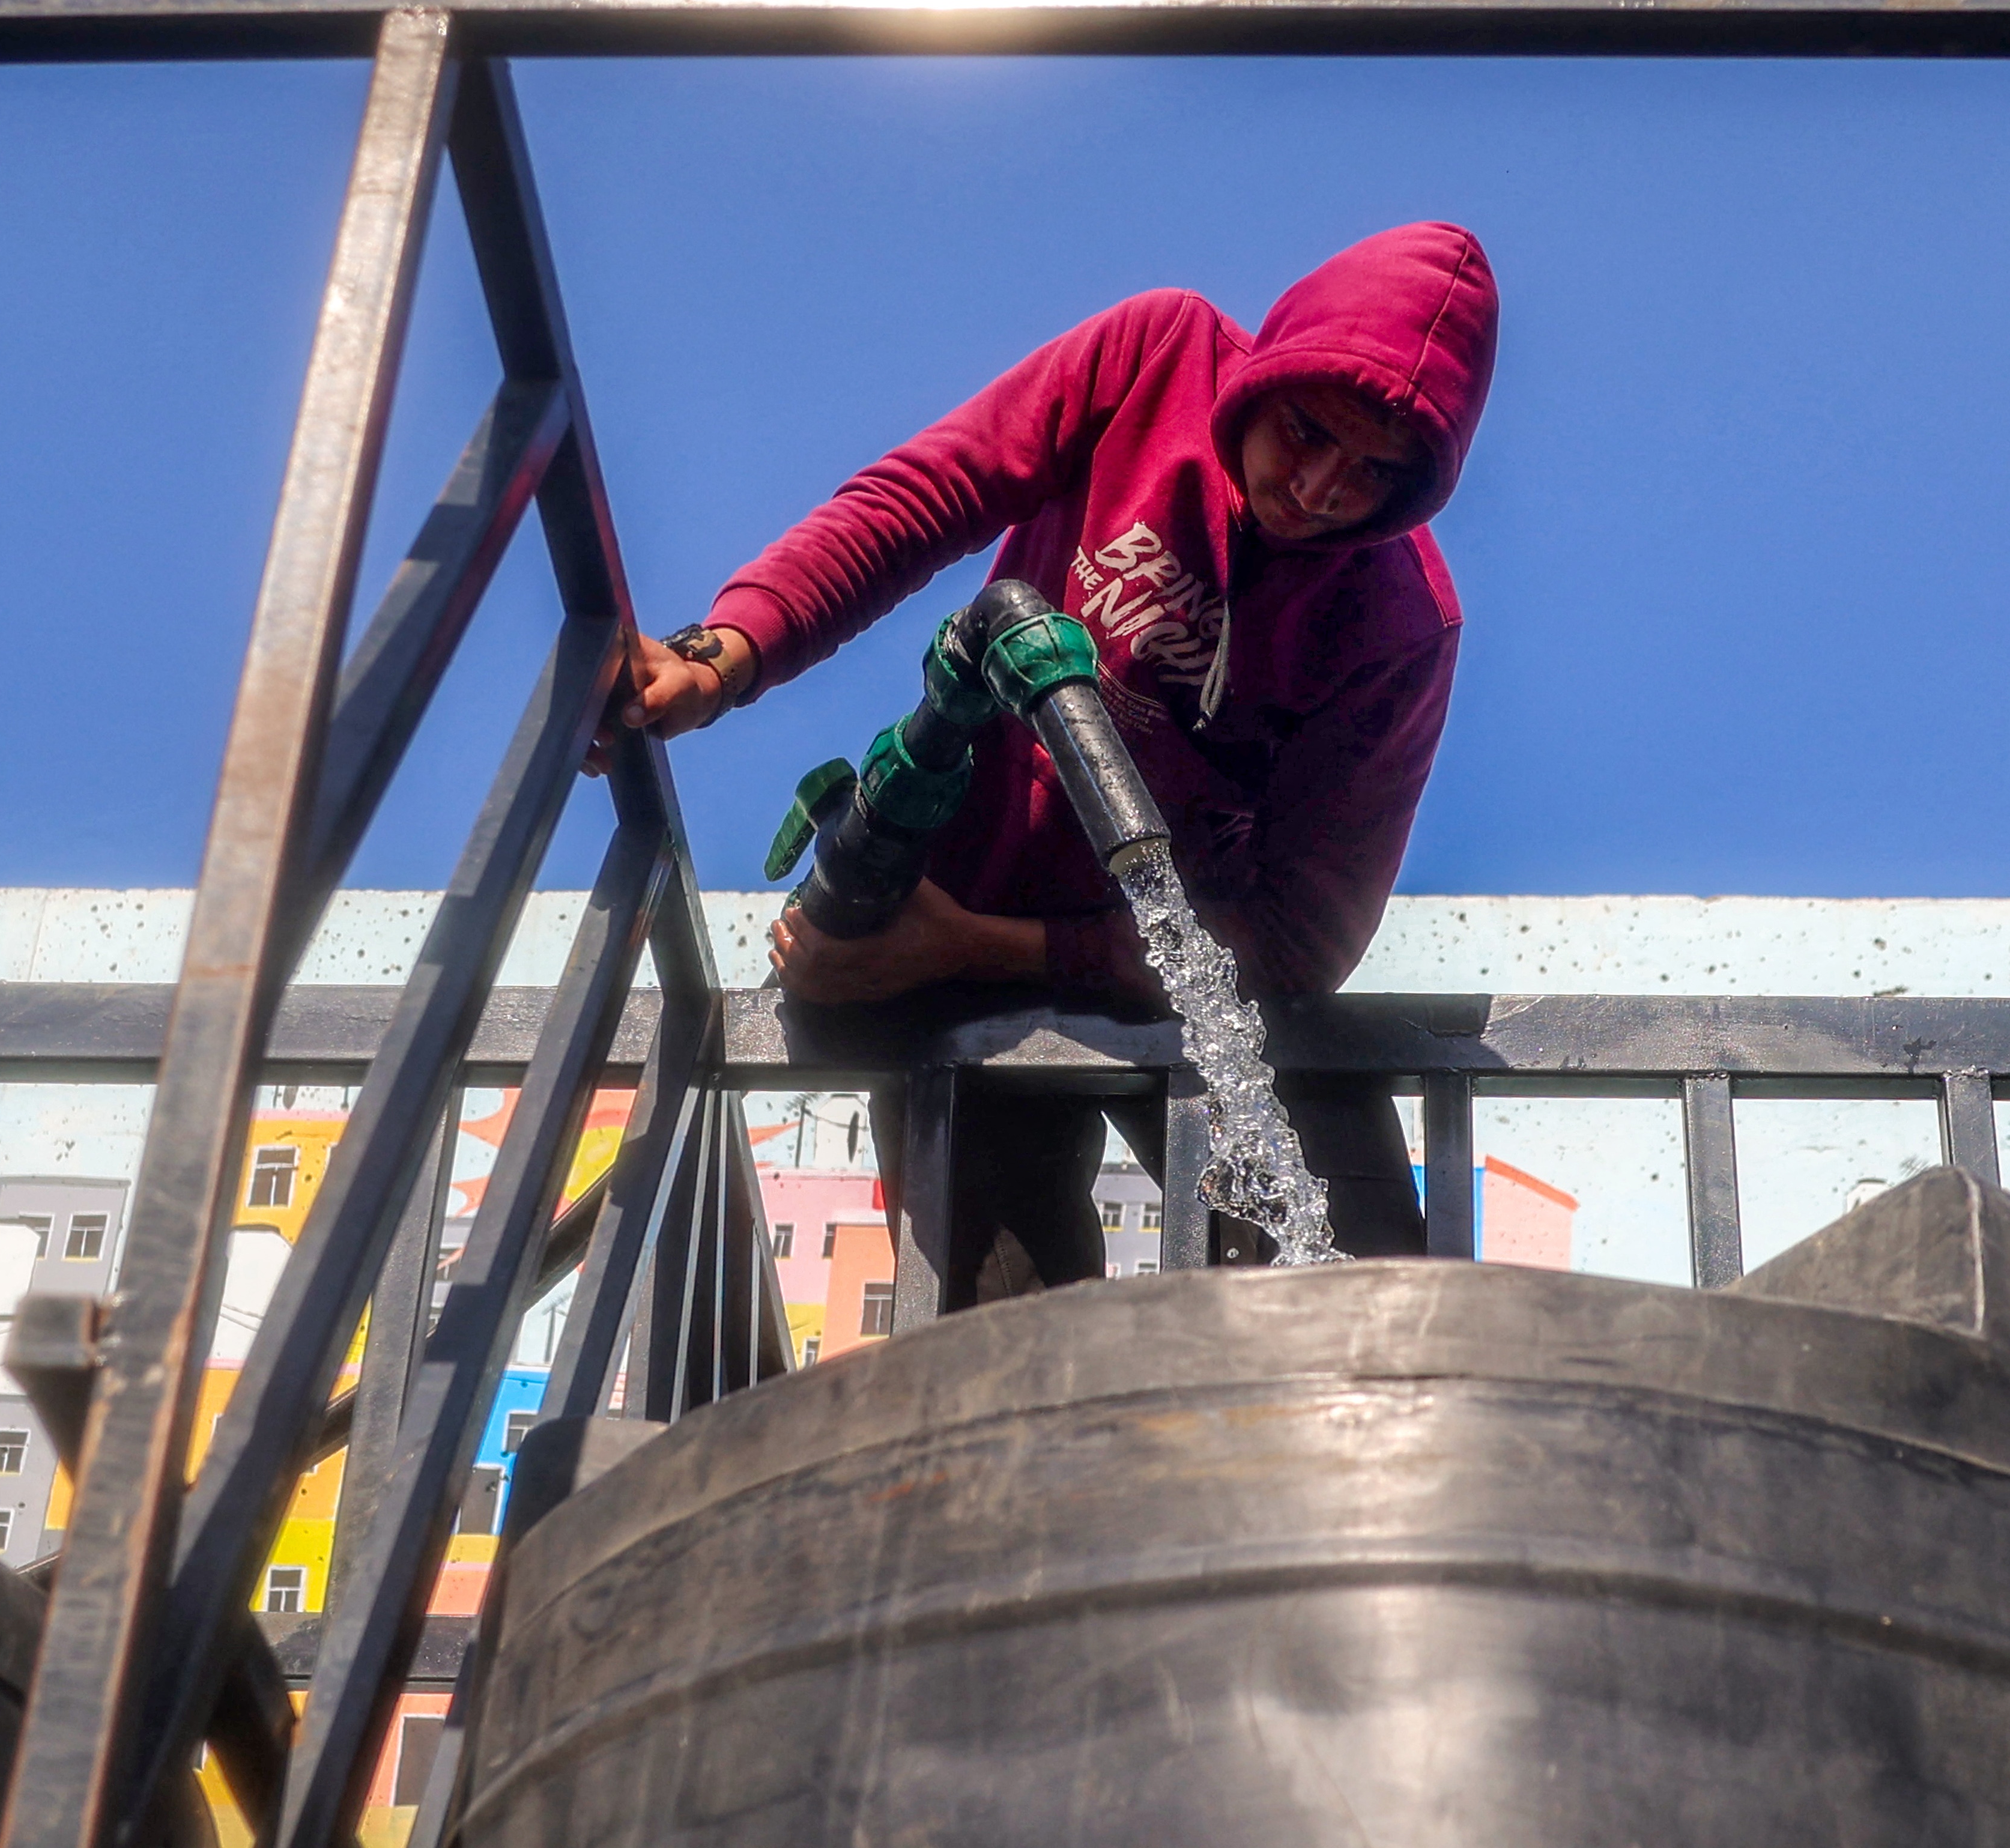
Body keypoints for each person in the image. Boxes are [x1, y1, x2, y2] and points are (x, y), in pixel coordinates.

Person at [607, 222, 1498, 1302]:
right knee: (1008, 1343)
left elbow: (1299, 938)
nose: (1316, 486)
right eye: (1307, 431)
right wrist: (725, 653)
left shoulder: (1401, 623)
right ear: (1267, 378)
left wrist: (977, 945)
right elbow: (926, 495)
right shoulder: (1157, 355)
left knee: (1359, 1286)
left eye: (1370, 472)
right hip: (943, 946)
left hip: (1166, 977)